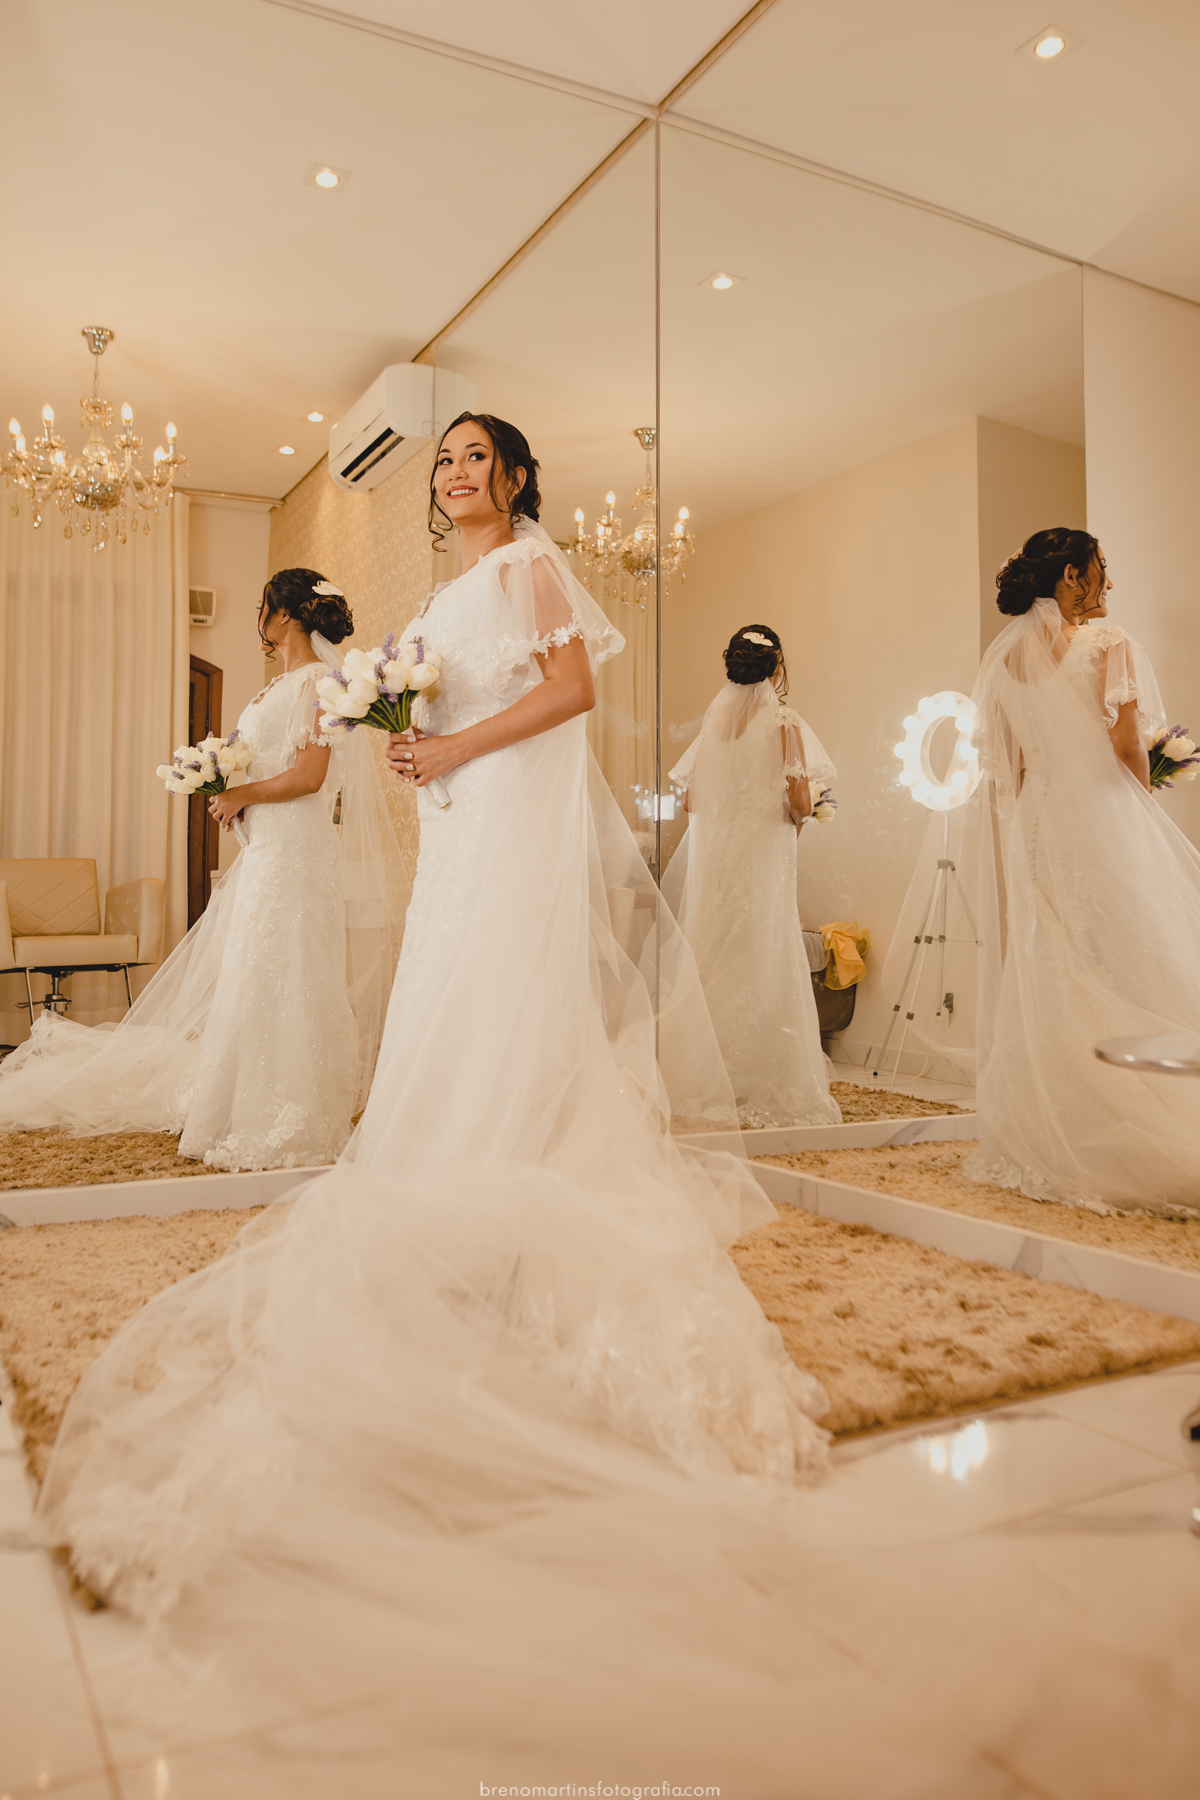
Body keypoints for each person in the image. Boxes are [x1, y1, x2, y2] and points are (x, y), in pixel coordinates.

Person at [36, 417, 833, 1789]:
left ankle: (504, 1195)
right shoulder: (449, 594)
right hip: (467, 817)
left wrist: (453, 752)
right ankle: (462, 1199)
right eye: (445, 464)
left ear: (517, 479)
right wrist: (418, 739)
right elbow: (454, 699)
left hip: (508, 808)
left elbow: (573, 693)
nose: (456, 475)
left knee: (498, 998)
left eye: (475, 458)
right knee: (446, 997)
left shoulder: (527, 565)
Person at [0, 571, 403, 1170]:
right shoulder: (278, 687)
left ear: (286, 614)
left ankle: (288, 1109)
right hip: (269, 847)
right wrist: (233, 792)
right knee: (254, 968)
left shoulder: (320, 683)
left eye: (262, 606)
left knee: (292, 968)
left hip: (298, 850)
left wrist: (242, 796)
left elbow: (310, 777)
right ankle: (242, 1098)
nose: (258, 618)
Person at [966, 527, 1200, 1214]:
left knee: (1060, 954)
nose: (1108, 583)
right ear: (1072, 574)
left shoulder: (1004, 661)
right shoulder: (1108, 644)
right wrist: (1143, 798)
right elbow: (1127, 742)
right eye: (1101, 569)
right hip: (1099, 811)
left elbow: (1006, 771)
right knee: (1131, 945)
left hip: (1041, 821)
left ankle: (1063, 1120)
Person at [662, 625, 841, 1128]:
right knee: (763, 949)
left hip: (720, 854)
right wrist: (809, 811)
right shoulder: (783, 719)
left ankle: (701, 1072)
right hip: (763, 856)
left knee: (715, 947)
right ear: (777, 666)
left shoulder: (716, 724)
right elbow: (800, 799)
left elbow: (693, 799)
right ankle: (761, 1076)